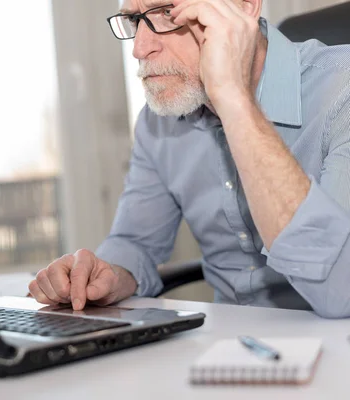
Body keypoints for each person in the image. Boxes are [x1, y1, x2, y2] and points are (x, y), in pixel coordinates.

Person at [28, 0, 350, 318]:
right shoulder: (158, 124)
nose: (140, 49)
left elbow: (340, 289)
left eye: (167, 13)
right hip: (223, 347)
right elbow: (136, 242)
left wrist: (233, 98)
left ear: (246, 6)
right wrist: (107, 274)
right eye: (135, 20)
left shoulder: (342, 90)